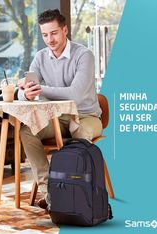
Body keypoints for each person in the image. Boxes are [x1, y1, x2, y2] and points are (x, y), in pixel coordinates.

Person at [18, 9, 102, 210]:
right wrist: (25, 94)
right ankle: (51, 194)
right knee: (27, 130)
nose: (50, 39)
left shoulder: (84, 55)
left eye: (54, 33)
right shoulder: (40, 58)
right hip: (58, 118)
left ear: (65, 30)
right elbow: (25, 90)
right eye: (45, 35)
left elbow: (76, 94)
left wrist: (41, 89)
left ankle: (79, 192)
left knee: (79, 133)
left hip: (86, 116)